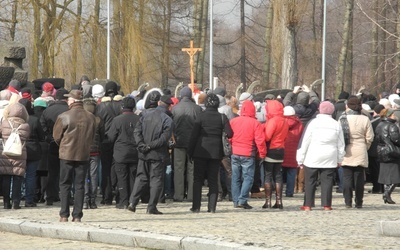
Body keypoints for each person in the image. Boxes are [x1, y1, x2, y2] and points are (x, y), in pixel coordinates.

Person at [53, 90, 96, 222]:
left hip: (66, 154)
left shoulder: (64, 116)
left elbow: (56, 136)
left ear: (72, 101)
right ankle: (77, 215)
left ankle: (64, 214)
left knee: (65, 184)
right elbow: (93, 136)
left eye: (69, 99)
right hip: (83, 154)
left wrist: (64, 145)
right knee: (80, 185)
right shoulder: (91, 117)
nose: (67, 101)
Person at [128, 92, 173, 214]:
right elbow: (164, 139)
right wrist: (148, 145)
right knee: (156, 180)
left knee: (141, 177)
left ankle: (133, 202)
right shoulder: (167, 119)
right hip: (157, 153)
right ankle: (151, 206)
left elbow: (137, 132)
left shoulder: (144, 115)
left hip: (144, 152)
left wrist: (142, 144)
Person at [188, 93, 233, 213]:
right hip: (216, 152)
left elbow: (193, 136)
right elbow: (230, 133)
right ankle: (212, 207)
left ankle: (196, 207)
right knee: (213, 180)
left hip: (200, 151)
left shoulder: (200, 116)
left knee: (197, 179)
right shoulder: (222, 117)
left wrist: (190, 152)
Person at [296, 101, 346, 211]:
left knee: (310, 180)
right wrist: (340, 159)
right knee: (327, 181)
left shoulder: (313, 123)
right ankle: (327, 205)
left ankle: (308, 204)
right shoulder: (336, 124)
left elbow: (305, 142)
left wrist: (300, 159)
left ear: (320, 110)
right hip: (330, 156)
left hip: (312, 155)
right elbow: (340, 144)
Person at [230, 100, 266, 209]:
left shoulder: (233, 121)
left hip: (235, 152)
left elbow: (229, 137)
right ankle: (243, 199)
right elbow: (260, 141)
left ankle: (236, 200)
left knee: (235, 177)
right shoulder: (255, 123)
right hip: (248, 153)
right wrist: (262, 154)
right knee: (248, 178)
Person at [339, 96, 374, 208]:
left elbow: (339, 136)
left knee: (347, 177)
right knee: (359, 178)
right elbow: (370, 137)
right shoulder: (365, 119)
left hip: (346, 150)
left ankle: (347, 201)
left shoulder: (342, 119)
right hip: (360, 149)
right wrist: (365, 146)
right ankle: (359, 202)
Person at [107, 96, 140, 209]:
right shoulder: (138, 119)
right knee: (133, 177)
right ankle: (132, 200)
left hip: (121, 153)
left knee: (121, 177)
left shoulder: (117, 120)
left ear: (122, 106)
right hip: (135, 152)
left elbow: (111, 137)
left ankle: (123, 201)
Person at [40, 88, 69, 206]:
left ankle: (50, 197)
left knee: (52, 171)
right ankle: (65, 196)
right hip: (67, 143)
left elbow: (41, 125)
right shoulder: (69, 110)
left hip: (52, 143)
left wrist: (48, 136)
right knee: (66, 171)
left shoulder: (48, 110)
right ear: (66, 98)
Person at [172, 86, 202, 202]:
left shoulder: (175, 109)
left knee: (179, 169)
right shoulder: (197, 109)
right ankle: (191, 195)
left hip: (178, 142)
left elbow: (171, 126)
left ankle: (178, 195)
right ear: (190, 96)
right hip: (193, 143)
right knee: (192, 169)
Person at [95, 81, 122, 205]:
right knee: (119, 169)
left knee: (105, 169)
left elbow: (98, 124)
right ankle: (120, 195)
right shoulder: (121, 104)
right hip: (119, 141)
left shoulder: (100, 107)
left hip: (105, 140)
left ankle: (107, 197)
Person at [0, 103, 30, 209]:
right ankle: (16, 202)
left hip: (6, 153)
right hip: (20, 153)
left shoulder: (4, 123)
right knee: (18, 178)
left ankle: (6, 202)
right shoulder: (26, 126)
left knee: (6, 178)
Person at [263, 100, 289, 209]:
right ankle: (279, 201)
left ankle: (268, 201)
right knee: (278, 176)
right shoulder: (285, 121)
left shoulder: (273, 121)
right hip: (281, 150)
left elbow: (267, 137)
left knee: (268, 175)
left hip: (271, 149)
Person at [19, 98, 45, 207]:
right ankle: (29, 199)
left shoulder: (16, 120)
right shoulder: (34, 120)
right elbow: (42, 136)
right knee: (31, 175)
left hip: (19, 149)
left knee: (18, 175)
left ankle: (16, 197)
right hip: (33, 149)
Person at [375, 109, 400, 204]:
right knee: (395, 176)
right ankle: (387, 193)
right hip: (392, 151)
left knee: (386, 175)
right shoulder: (392, 125)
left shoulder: (380, 124)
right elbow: (396, 139)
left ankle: (387, 195)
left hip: (381, 151)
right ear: (390, 115)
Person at [82, 97, 104, 209]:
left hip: (83, 151)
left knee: (85, 176)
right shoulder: (98, 120)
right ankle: (93, 200)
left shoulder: (81, 119)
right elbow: (102, 135)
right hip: (95, 151)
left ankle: (85, 200)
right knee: (94, 175)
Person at [281, 106, 304, 197]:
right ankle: (290, 192)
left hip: (282, 149)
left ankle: (278, 191)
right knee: (292, 172)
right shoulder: (299, 124)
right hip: (294, 150)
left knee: (279, 173)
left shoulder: (281, 122)